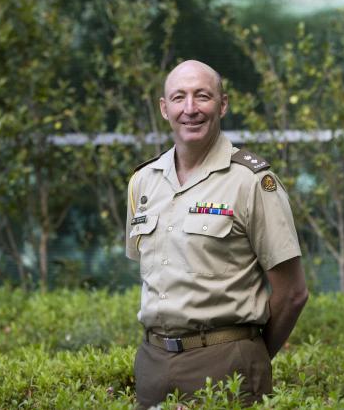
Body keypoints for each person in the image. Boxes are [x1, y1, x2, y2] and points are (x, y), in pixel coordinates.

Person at [125, 59, 308, 408]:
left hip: (226, 363)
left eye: (202, 96)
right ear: (164, 108)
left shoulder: (252, 182)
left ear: (222, 105)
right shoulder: (143, 182)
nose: (190, 108)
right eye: (178, 97)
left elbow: (293, 293)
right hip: (152, 364)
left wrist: (249, 354)